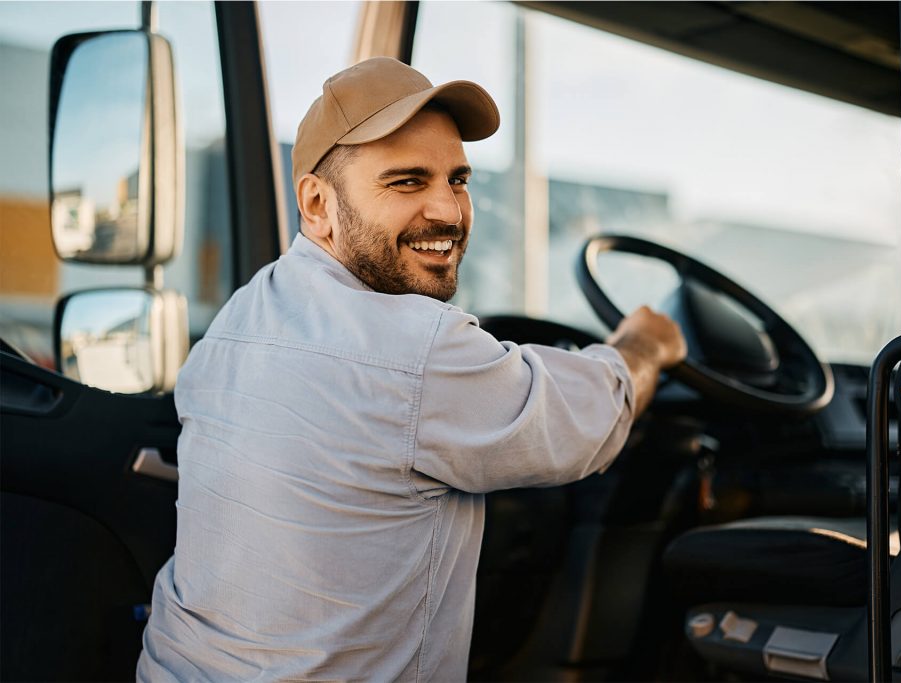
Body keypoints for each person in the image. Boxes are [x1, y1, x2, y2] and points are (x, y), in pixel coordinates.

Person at [137, 57, 685, 682]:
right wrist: (644, 347)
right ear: (317, 205)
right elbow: (588, 423)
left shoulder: (238, 320)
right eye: (406, 182)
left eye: (457, 179)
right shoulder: (414, 348)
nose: (448, 211)